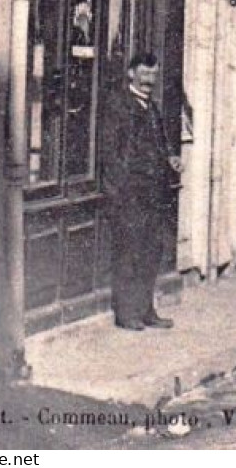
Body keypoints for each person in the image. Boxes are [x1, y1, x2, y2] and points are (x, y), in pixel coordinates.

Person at [100, 53, 182, 331]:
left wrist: (170, 157)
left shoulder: (152, 108)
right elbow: (110, 152)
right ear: (131, 74)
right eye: (145, 74)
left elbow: (160, 143)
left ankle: (147, 310)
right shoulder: (118, 106)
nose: (150, 80)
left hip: (153, 194)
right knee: (129, 253)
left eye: (154, 75)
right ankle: (126, 313)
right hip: (130, 194)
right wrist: (119, 190)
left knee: (150, 252)